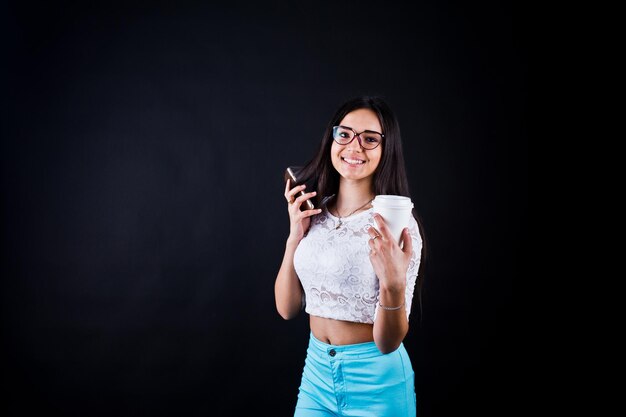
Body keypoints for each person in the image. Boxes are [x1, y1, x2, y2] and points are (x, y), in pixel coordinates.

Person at [274, 95, 426, 417]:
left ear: (387, 150)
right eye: (345, 134)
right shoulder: (315, 213)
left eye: (370, 139)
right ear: (332, 139)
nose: (354, 147)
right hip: (316, 372)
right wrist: (294, 237)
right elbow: (287, 309)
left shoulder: (398, 225)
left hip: (377, 381)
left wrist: (393, 282)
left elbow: (388, 343)